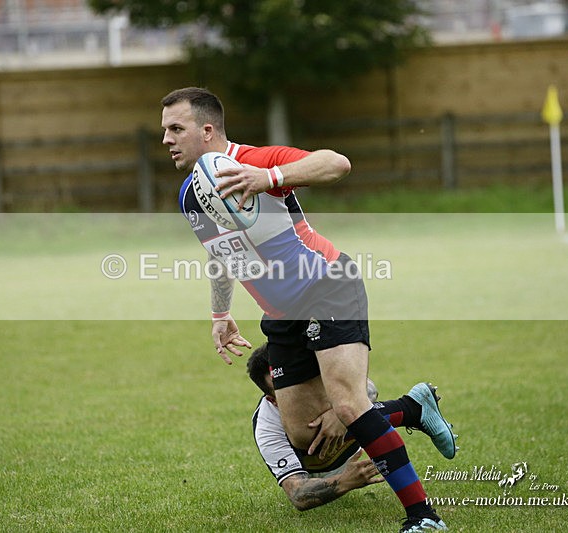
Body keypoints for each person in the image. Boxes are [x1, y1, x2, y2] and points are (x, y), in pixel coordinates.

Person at [162, 87, 451, 531]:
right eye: (165, 130)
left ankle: (423, 517)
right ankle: (412, 408)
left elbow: (337, 163)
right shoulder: (189, 195)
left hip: (326, 285)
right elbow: (220, 253)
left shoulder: (255, 160)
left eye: (175, 128)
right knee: (306, 436)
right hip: (282, 315)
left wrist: (268, 178)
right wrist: (220, 314)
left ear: (206, 130)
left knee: (348, 405)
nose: (166, 139)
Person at [247, 344, 457, 511]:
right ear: (273, 400)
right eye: (284, 392)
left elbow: (369, 388)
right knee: (309, 429)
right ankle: (411, 408)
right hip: (320, 473)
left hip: (351, 445)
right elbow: (298, 494)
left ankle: (413, 408)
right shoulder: (267, 426)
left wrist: (339, 413)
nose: (298, 392)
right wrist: (344, 481)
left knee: (353, 408)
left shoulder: (318, 378)